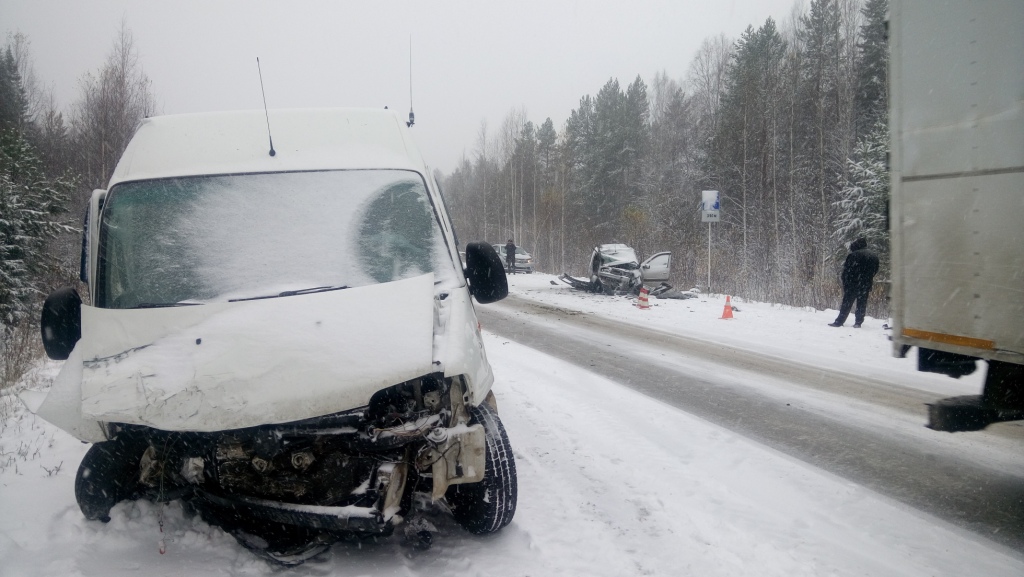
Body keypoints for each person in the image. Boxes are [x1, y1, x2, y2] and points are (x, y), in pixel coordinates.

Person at [829, 237, 880, 328]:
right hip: (865, 284)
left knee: (847, 303)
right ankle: (858, 322)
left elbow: (847, 271)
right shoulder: (874, 256)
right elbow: (875, 270)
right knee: (862, 304)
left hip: (852, 284)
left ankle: (839, 321)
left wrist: (845, 281)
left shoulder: (853, 255)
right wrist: (867, 278)